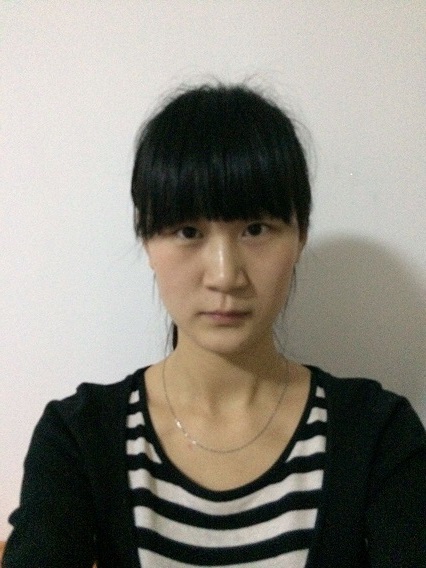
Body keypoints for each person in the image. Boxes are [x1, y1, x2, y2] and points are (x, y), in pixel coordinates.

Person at [3, 84, 425, 568]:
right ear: (146, 239)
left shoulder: (378, 433)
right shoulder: (78, 438)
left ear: (301, 235)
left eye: (255, 229)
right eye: (188, 231)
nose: (225, 276)